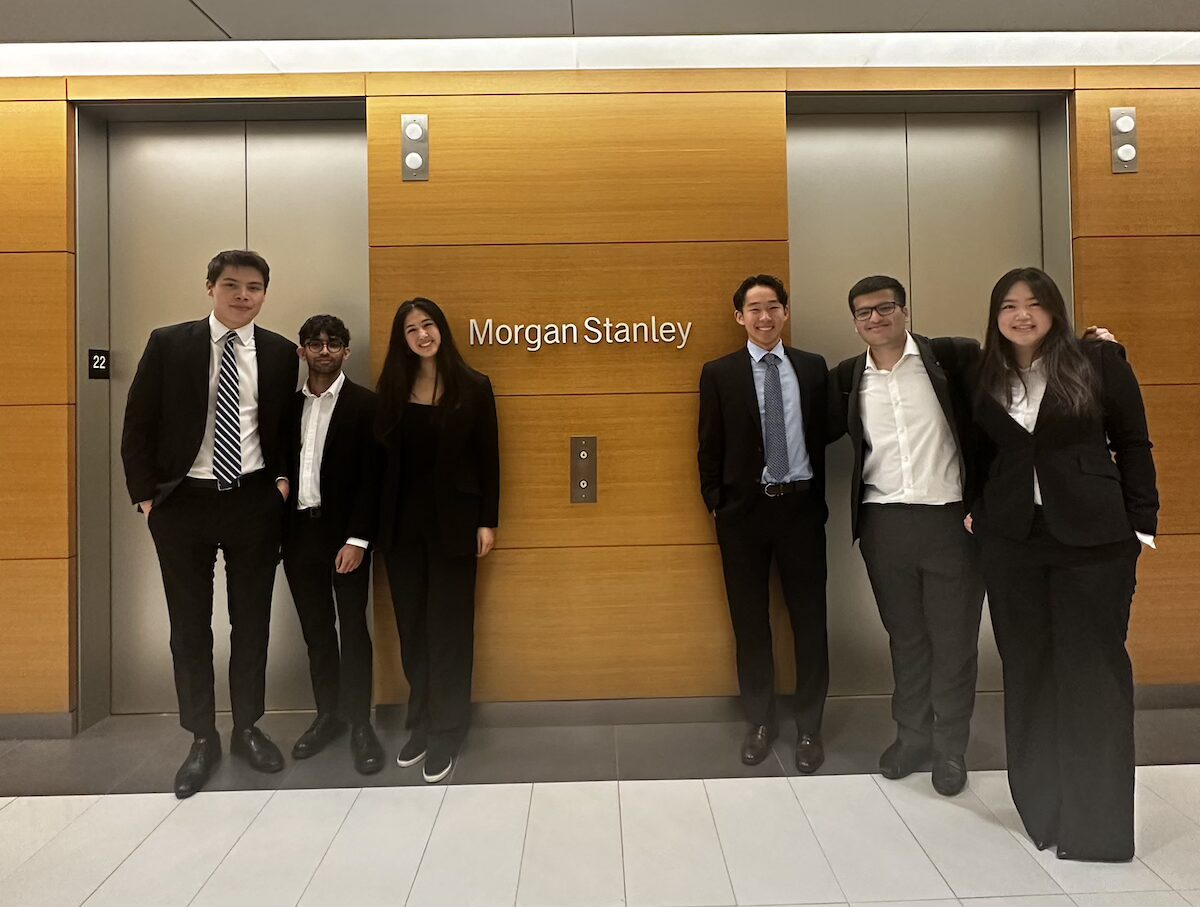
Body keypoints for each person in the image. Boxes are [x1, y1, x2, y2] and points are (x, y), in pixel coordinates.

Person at [967, 266, 1158, 862]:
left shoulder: (1096, 362)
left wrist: (1141, 524)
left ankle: (1096, 829)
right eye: (1008, 306)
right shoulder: (982, 375)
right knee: (1027, 671)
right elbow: (979, 452)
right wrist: (980, 507)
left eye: (1033, 304)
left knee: (1094, 676)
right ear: (995, 315)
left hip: (1094, 543)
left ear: (1054, 309)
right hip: (1013, 545)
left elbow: (1133, 443)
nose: (1021, 315)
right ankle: (1043, 813)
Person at [121, 249, 299, 799]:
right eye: (231, 285)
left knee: (251, 623)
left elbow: (290, 425)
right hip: (183, 505)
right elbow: (137, 424)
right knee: (189, 627)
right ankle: (202, 736)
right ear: (209, 288)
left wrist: (283, 483)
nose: (242, 295)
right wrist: (147, 501)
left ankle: (247, 727)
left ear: (266, 293)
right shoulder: (169, 343)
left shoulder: (280, 352)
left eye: (254, 287)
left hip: (252, 502)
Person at [828, 275, 984, 796]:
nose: (874, 319)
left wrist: (1099, 353)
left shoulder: (953, 359)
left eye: (884, 308)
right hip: (884, 526)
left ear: (905, 311)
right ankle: (911, 737)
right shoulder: (849, 378)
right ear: (854, 322)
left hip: (950, 523)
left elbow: (1005, 407)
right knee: (908, 640)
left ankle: (951, 750)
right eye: (863, 313)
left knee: (954, 641)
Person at [697, 274, 830, 772]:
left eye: (773, 306)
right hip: (743, 517)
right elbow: (707, 447)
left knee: (809, 621)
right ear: (739, 318)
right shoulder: (719, 373)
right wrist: (718, 502)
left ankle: (810, 727)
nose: (765, 316)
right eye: (754, 308)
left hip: (800, 510)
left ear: (786, 312)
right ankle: (760, 720)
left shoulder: (813, 369)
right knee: (750, 623)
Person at [376, 297, 500, 783]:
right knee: (413, 629)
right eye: (411, 329)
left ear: (441, 329)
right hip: (402, 530)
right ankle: (421, 721)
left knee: (449, 629)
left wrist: (488, 520)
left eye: (428, 325)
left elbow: (489, 458)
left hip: (455, 528)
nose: (422, 335)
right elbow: (381, 463)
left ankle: (449, 730)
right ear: (401, 339)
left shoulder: (473, 386)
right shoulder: (392, 386)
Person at [282, 314, 385, 774]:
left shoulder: (366, 406)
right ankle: (328, 717)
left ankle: (361, 722)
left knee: (353, 631)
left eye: (334, 344)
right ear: (302, 350)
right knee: (317, 632)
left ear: (346, 352)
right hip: (299, 534)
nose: (325, 351)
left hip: (347, 537)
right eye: (315, 343)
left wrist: (359, 539)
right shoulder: (285, 407)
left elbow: (373, 480)